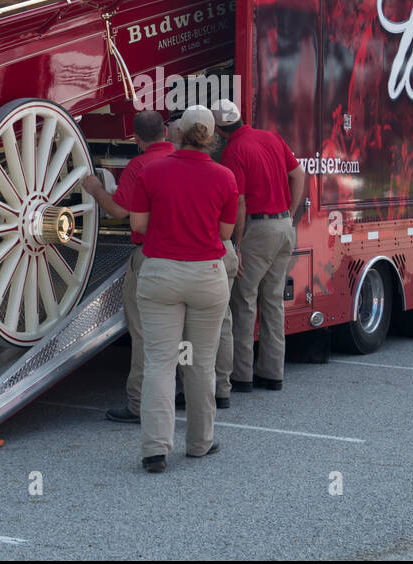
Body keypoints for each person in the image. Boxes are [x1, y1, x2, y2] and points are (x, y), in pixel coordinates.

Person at [124, 105, 238, 472]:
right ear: (212, 136)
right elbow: (225, 234)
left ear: (177, 133)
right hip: (206, 275)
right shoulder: (224, 177)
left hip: (160, 273)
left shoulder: (152, 171)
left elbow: (138, 226)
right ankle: (200, 443)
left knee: (160, 363)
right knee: (200, 364)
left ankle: (155, 450)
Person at [82, 110, 176, 423]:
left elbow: (120, 212)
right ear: (165, 131)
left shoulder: (140, 165)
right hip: (189, 258)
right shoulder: (182, 161)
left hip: (151, 257)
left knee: (143, 333)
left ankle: (138, 404)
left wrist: (95, 188)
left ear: (135, 138)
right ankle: (185, 392)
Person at [213, 98, 306, 393]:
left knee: (243, 302)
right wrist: (289, 215)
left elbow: (238, 202)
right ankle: (272, 372)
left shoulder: (233, 151)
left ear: (218, 129)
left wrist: (236, 244)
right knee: (273, 302)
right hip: (283, 227)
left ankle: (242, 376)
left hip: (257, 229)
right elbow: (298, 174)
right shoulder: (270, 137)